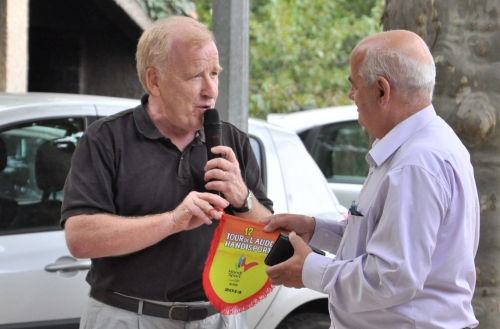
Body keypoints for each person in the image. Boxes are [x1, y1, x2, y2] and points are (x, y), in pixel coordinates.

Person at [61, 16, 273, 329]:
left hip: (217, 318)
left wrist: (243, 198)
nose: (211, 90)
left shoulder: (234, 141)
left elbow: (269, 236)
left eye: (214, 73)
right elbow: (80, 238)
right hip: (128, 317)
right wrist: (172, 221)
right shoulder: (105, 139)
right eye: (195, 76)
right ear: (154, 81)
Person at [262, 30, 479, 329]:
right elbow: (382, 241)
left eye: (354, 85)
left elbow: (393, 277)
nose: (351, 96)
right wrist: (316, 230)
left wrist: (310, 270)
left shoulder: (415, 163)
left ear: (381, 91)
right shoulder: (417, 146)